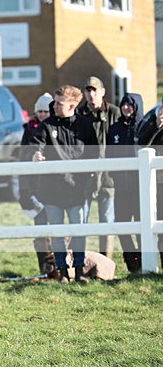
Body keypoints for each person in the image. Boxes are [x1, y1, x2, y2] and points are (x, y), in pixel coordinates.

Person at [31, 85, 98, 283]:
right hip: (52, 189)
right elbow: (35, 143)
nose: (54, 106)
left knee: (79, 231)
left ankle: (79, 271)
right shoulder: (47, 125)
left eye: (59, 103)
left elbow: (94, 153)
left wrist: (88, 177)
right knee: (57, 232)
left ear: (72, 105)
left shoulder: (85, 126)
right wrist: (35, 154)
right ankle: (61, 272)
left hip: (78, 189)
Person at [77, 76, 120, 258]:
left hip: (109, 177)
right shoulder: (78, 115)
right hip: (85, 177)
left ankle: (106, 264)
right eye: (88, 90)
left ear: (103, 92)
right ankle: (79, 264)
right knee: (80, 221)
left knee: (107, 221)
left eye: (95, 90)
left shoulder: (114, 113)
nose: (91, 94)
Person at [19, 92, 55, 276]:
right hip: (36, 188)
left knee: (58, 229)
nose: (42, 114)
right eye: (39, 111)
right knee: (41, 229)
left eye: (46, 111)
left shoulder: (56, 129)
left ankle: (61, 267)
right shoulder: (29, 131)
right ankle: (45, 267)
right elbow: (22, 157)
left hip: (56, 187)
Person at [107, 93, 143, 273]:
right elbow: (108, 154)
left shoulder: (143, 128)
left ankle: (144, 262)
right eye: (123, 105)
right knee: (121, 225)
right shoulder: (114, 129)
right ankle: (132, 262)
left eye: (130, 105)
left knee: (141, 226)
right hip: (121, 187)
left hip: (141, 188)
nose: (126, 108)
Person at [136, 100, 163, 268]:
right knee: (160, 228)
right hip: (158, 183)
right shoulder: (152, 123)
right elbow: (142, 144)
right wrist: (157, 127)